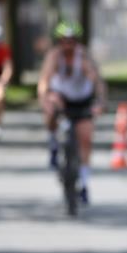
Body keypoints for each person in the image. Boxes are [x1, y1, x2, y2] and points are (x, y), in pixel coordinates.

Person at [37, 20, 107, 205]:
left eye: (72, 41)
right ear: (59, 41)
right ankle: (53, 143)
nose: (68, 45)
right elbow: (44, 81)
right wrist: (44, 99)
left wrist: (99, 102)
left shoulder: (82, 56)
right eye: (64, 41)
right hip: (61, 98)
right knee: (51, 107)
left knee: (86, 137)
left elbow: (96, 80)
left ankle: (83, 184)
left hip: (82, 100)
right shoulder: (54, 56)